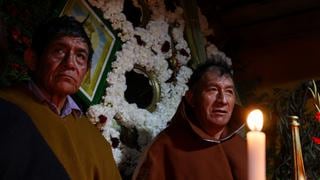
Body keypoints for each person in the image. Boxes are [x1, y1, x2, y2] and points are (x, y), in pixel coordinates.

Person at [0, 15, 121, 180]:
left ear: (85, 74)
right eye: (59, 50)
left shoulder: (99, 146)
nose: (70, 63)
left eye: (80, 56)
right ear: (32, 59)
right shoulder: (6, 106)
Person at [133, 59, 247, 180]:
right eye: (213, 90)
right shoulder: (165, 147)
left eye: (229, 91)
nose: (222, 100)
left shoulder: (241, 146)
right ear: (191, 98)